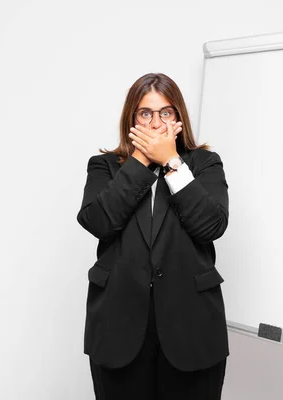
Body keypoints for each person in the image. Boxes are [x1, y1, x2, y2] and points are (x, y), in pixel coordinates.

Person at [77, 72, 229, 400]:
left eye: (165, 113)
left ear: (178, 118)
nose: (156, 123)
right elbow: (99, 221)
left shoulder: (204, 164)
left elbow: (211, 226)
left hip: (192, 327)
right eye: (145, 113)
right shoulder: (105, 166)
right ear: (132, 118)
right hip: (119, 327)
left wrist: (171, 162)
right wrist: (143, 159)